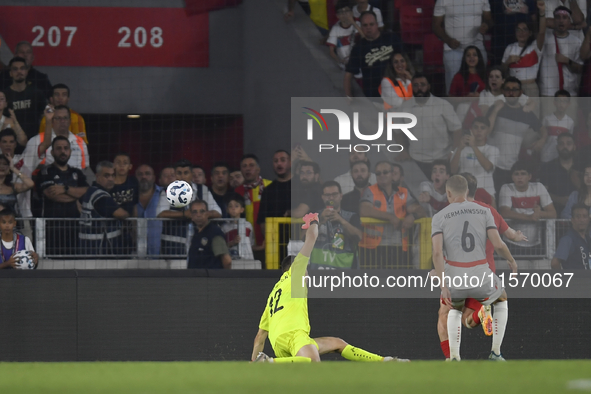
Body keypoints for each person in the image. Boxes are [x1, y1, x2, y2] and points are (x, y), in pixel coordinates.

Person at [252, 213, 407, 363]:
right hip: (293, 333)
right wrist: (314, 221)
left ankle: (385, 361)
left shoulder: (274, 294)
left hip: (279, 342)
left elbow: (260, 336)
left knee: (337, 343)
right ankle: (269, 362)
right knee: (313, 363)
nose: (307, 274)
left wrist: (253, 361)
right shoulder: (296, 272)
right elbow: (311, 238)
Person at [436, 172, 524, 360]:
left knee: (449, 314)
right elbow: (503, 239)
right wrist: (513, 252)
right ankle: (495, 351)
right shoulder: (487, 211)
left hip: (455, 272)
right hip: (483, 272)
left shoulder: (445, 214)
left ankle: (451, 358)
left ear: (451, 192)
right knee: (490, 306)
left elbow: (438, 251)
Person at [487, 77, 546, 197]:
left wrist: (542, 140)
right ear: (503, 91)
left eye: (514, 89)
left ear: (520, 92)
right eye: (508, 89)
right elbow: (487, 130)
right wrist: (496, 110)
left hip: (512, 169)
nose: (511, 92)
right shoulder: (496, 108)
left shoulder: (527, 113)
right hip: (491, 166)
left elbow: (544, 130)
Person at [359, 161, 425, 268]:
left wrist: (413, 216)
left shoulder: (403, 192)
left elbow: (420, 210)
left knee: (399, 282)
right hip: (373, 248)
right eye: (378, 173)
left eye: (385, 172)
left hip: (398, 246)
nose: (382, 176)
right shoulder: (370, 190)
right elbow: (364, 210)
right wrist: (390, 217)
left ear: (392, 174)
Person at [396, 74, 462, 179]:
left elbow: (457, 130)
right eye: (416, 85)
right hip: (416, 160)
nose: (419, 88)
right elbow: (397, 131)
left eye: (423, 85)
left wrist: (453, 153)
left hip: (442, 159)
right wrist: (403, 150)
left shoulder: (443, 105)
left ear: (429, 86)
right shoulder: (404, 107)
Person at [36, 136, 88, 255]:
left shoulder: (77, 173)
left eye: (66, 148)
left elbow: (87, 191)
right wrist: (75, 194)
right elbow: (54, 195)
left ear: (70, 151)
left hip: (74, 227)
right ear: (52, 152)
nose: (63, 151)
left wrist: (64, 189)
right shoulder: (45, 172)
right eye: (59, 148)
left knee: (73, 263)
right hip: (51, 228)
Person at [157, 159, 221, 255]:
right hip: (173, 246)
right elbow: (160, 214)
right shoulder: (167, 191)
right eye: (179, 173)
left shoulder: (202, 189)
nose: (182, 176)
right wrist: (183, 214)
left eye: (186, 173)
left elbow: (217, 212)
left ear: (191, 174)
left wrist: (201, 214)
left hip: (199, 244)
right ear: (175, 175)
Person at [432, 0, 493, 94]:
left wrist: (486, 25)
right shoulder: (443, 1)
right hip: (453, 49)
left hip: (477, 47)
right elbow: (436, 26)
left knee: (481, 84)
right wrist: (448, 40)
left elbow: (489, 19)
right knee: (453, 86)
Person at [499, 161, 557, 254]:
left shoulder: (539, 187)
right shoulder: (506, 188)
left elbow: (553, 214)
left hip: (535, 244)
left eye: (523, 174)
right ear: (512, 177)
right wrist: (530, 217)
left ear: (529, 176)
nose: (520, 177)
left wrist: (539, 214)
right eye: (516, 174)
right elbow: (505, 213)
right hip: (511, 242)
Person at [344, 11, 403, 98]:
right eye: (365, 25)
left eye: (371, 24)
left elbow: (406, 59)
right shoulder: (358, 48)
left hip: (397, 90)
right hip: (374, 96)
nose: (368, 28)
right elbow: (348, 74)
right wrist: (348, 96)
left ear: (377, 25)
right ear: (361, 27)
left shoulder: (390, 37)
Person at [79, 161, 129, 255]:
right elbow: (121, 214)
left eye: (113, 175)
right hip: (98, 248)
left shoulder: (91, 190)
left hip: (89, 247)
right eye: (107, 176)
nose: (111, 179)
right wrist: (128, 214)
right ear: (97, 176)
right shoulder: (100, 196)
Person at [309, 181, 362, 270]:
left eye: (334, 194)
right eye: (327, 195)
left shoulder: (352, 216)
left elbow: (358, 237)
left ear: (341, 196)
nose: (331, 198)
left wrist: (341, 220)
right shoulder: (314, 215)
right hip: (318, 274)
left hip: (345, 275)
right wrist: (320, 221)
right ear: (322, 197)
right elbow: (303, 238)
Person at [23, 105, 90, 174]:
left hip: (74, 182)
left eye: (65, 118)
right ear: (52, 121)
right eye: (58, 118)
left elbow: (84, 168)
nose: (62, 121)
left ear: (70, 121)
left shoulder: (80, 142)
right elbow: (26, 167)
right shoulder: (36, 140)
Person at [501, 2, 547, 98]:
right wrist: (508, 62)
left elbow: (542, 32)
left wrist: (542, 12)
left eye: (524, 29)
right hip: (513, 89)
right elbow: (502, 70)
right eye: (518, 30)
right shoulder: (509, 48)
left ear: (530, 33)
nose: (521, 33)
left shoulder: (535, 46)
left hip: (530, 88)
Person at [539, 6, 584, 101]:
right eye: (558, 17)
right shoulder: (544, 39)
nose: (561, 20)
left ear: (569, 21)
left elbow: (580, 69)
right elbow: (540, 30)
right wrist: (542, 12)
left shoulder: (577, 42)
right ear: (554, 20)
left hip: (569, 93)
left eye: (564, 18)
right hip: (548, 93)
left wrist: (567, 61)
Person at [450, 117, 499, 203]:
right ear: (471, 130)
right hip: (464, 193)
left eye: (482, 128)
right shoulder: (461, 149)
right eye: (476, 127)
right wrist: (459, 149)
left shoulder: (492, 150)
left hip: (486, 192)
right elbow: (452, 170)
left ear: (488, 131)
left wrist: (473, 146)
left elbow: (488, 167)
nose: (479, 131)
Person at [234, 154, 272, 254]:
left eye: (251, 165)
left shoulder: (270, 186)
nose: (248, 169)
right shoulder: (237, 192)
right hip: (246, 246)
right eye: (244, 166)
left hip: (271, 242)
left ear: (258, 169)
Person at [2, 57, 47, 140]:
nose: (19, 71)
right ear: (10, 73)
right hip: (10, 143)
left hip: (34, 141)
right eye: (15, 69)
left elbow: (44, 117)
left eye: (22, 68)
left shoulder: (37, 93)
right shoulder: (3, 96)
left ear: (26, 72)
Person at [540, 133, 578, 216]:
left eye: (569, 144)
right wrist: (559, 199)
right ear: (557, 147)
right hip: (554, 210)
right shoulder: (547, 167)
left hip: (579, 212)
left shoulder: (581, 168)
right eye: (561, 144)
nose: (565, 147)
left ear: (574, 147)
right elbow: (542, 192)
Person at [187, 199, 232, 269]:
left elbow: (227, 261)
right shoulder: (197, 233)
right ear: (191, 216)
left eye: (202, 211)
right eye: (195, 212)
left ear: (207, 214)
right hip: (196, 278)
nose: (198, 215)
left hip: (211, 278)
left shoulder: (214, 233)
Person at [327, 1, 364, 77]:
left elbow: (366, 39)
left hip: (360, 60)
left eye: (347, 11)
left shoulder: (358, 24)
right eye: (341, 12)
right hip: (345, 64)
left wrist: (353, 23)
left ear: (352, 13)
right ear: (337, 16)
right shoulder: (335, 29)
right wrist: (339, 61)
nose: (344, 14)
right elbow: (331, 51)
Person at [258, 150, 292, 228]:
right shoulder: (268, 191)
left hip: (301, 238)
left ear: (290, 162)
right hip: (275, 238)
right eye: (275, 161)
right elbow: (262, 221)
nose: (279, 163)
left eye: (283, 160)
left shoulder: (300, 186)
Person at [552, 203, 591, 269]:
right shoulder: (568, 239)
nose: (582, 220)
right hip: (575, 278)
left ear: (588, 219)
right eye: (578, 216)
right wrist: (564, 278)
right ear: (572, 220)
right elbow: (555, 263)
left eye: (584, 216)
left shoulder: (588, 238)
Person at [540, 90, 574, 163]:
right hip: (546, 156)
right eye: (559, 101)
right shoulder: (546, 119)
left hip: (561, 158)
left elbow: (570, 141)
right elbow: (541, 138)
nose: (561, 104)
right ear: (554, 103)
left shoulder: (570, 122)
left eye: (564, 101)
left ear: (568, 104)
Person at [136, 164, 162, 256]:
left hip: (161, 253)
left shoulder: (164, 194)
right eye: (140, 174)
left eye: (147, 174)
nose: (144, 177)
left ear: (154, 177)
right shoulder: (129, 196)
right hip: (133, 253)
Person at [222, 193, 254, 261]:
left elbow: (251, 244)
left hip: (248, 259)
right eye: (230, 206)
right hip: (231, 259)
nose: (233, 208)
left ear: (242, 209)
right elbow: (222, 247)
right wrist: (232, 242)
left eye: (236, 206)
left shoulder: (248, 226)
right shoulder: (224, 227)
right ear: (227, 209)